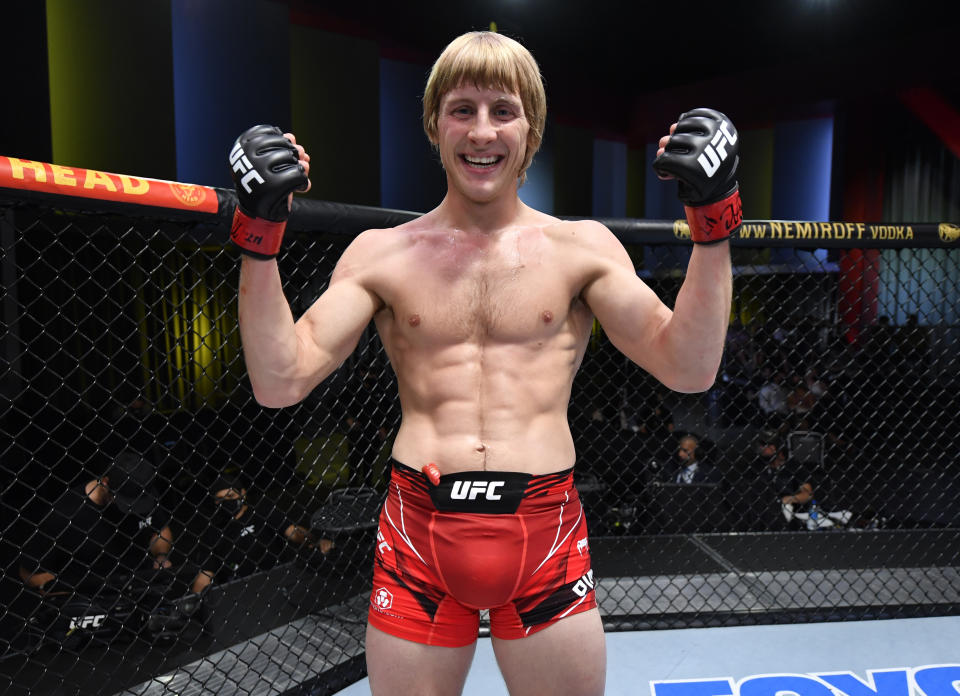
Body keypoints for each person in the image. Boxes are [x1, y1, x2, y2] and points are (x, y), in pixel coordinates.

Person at [228, 31, 739, 696]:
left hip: (545, 535)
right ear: (434, 125)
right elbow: (279, 380)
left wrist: (713, 218)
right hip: (419, 537)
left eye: (503, 110)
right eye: (462, 110)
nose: (482, 131)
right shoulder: (380, 253)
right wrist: (257, 233)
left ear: (532, 128)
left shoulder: (580, 249)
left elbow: (690, 367)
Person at [18, 450, 174, 596]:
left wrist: (161, 556)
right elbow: (30, 573)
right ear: (105, 482)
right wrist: (67, 591)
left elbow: (160, 530)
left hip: (139, 584)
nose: (133, 510)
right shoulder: (64, 514)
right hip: (91, 596)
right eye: (125, 502)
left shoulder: (144, 493)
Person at [190, 475, 333, 594]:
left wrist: (314, 540)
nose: (227, 502)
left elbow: (294, 532)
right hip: (240, 590)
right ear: (215, 502)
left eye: (231, 496)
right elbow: (204, 576)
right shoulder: (213, 531)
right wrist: (195, 601)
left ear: (242, 493)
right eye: (221, 500)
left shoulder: (262, 512)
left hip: (277, 578)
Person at [731, 430, 815, 531]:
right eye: (761, 445)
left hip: (789, 512)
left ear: (775, 447)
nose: (762, 449)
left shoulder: (793, 466)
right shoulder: (756, 467)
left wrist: (788, 500)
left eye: (765, 445)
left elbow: (807, 494)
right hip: (762, 514)